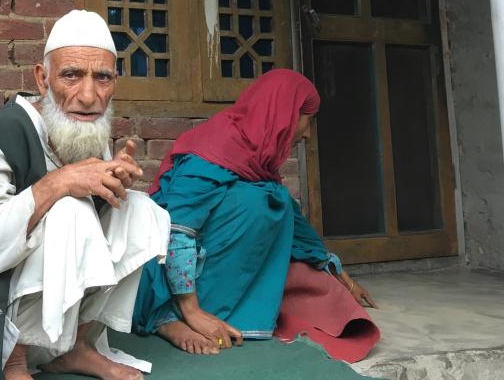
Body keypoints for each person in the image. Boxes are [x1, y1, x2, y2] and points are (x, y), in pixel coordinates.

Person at [0, 10, 171, 380]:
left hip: (49, 320)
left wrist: (110, 189)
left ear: (115, 82)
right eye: (72, 75)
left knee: (139, 209)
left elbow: (92, 229)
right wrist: (57, 184)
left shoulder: (85, 128)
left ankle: (75, 346)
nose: (89, 95)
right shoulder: (3, 130)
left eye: (102, 78)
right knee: (68, 209)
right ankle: (14, 362)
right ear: (43, 79)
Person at [132, 69, 380, 362]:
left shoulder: (257, 161)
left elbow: (299, 231)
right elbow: (177, 233)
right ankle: (167, 319)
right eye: (307, 120)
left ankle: (221, 310)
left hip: (211, 274)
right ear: (284, 114)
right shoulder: (212, 149)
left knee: (277, 207)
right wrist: (192, 312)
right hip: (164, 275)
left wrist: (344, 279)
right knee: (253, 202)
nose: (308, 133)